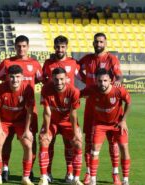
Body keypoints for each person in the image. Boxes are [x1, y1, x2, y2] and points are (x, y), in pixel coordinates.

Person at [0, 35, 43, 182]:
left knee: (30, 141)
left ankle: (29, 171)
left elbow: (42, 80)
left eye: (24, 46)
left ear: (28, 47)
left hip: (28, 110)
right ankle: (5, 169)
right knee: (5, 141)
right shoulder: (7, 63)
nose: (21, 49)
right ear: (14, 47)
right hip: (7, 111)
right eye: (18, 46)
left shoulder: (34, 63)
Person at [78, 32, 123, 185]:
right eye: (96, 42)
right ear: (93, 42)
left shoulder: (111, 59)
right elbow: (76, 70)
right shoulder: (88, 59)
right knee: (89, 141)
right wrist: (86, 82)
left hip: (107, 106)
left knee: (113, 142)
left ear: (105, 43)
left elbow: (118, 77)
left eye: (101, 42)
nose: (98, 44)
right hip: (91, 105)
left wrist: (115, 84)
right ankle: (89, 173)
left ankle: (115, 173)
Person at [80, 68, 131, 185]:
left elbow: (128, 102)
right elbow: (77, 95)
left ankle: (125, 180)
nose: (102, 83)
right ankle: (93, 179)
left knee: (123, 147)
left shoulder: (118, 90)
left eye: (105, 81)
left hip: (117, 124)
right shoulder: (91, 89)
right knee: (94, 151)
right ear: (96, 81)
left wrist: (123, 120)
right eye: (99, 81)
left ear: (110, 80)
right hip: (100, 124)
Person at [42, 35, 80, 183]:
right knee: (47, 142)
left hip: (67, 110)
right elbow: (44, 80)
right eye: (57, 47)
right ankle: (48, 173)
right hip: (52, 110)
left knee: (69, 143)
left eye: (63, 47)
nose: (60, 49)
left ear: (66, 47)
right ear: (54, 47)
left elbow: (84, 78)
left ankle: (69, 173)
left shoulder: (73, 63)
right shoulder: (48, 63)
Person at [0, 65, 35, 185]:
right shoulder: (0, 88)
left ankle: (25, 177)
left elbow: (30, 111)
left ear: (22, 77)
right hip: (4, 121)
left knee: (28, 145)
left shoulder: (28, 88)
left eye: (18, 77)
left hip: (20, 121)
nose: (15, 80)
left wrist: (27, 130)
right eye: (12, 77)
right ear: (7, 77)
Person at [38, 67, 83, 185]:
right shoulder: (46, 89)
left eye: (62, 79)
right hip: (52, 121)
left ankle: (74, 177)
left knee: (77, 143)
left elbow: (73, 115)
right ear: (52, 79)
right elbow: (47, 113)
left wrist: (75, 133)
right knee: (44, 141)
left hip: (68, 122)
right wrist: (45, 132)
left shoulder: (74, 91)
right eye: (56, 79)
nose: (59, 82)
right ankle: (44, 176)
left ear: (67, 79)